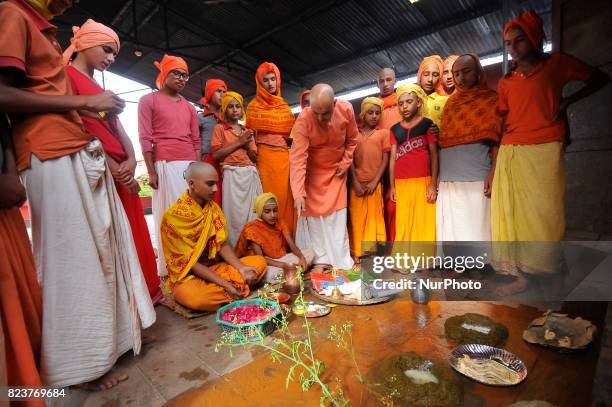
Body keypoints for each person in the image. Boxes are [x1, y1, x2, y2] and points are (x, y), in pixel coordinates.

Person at [0, 0, 155, 390]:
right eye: (106, 49)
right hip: (44, 150)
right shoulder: (11, 13)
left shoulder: (41, 29)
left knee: (100, 251)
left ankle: (109, 345)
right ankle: (75, 368)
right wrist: (85, 101)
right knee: (69, 259)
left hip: (71, 147)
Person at [492, 10, 608, 293]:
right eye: (508, 43)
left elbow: (599, 78)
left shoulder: (557, 64)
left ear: (533, 38)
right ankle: (520, 274)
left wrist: (568, 101)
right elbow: (504, 119)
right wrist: (496, 159)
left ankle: (546, 265)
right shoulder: (507, 82)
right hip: (511, 150)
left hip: (545, 146)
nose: (513, 48)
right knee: (512, 214)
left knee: (546, 212)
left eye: (518, 41)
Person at [65, 19, 163, 304]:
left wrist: (131, 158)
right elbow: (74, 126)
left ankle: (146, 296)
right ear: (83, 44)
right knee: (110, 238)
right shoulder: (66, 77)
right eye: (106, 50)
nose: (110, 58)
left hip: (122, 168)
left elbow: (117, 127)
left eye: (114, 55)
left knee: (133, 232)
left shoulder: (96, 84)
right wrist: (108, 162)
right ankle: (126, 303)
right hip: (97, 166)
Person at [160, 162, 266, 311]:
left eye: (216, 184)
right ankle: (233, 288)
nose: (215, 189)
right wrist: (226, 284)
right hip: (189, 277)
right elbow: (191, 263)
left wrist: (241, 268)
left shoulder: (213, 208)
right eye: (210, 184)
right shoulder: (173, 218)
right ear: (192, 183)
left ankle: (230, 290)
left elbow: (222, 244)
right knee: (196, 298)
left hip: (215, 267)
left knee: (259, 262)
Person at [138, 54, 200, 276]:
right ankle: (175, 266)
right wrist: (150, 170)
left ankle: (195, 264)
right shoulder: (148, 101)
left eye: (185, 75)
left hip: (189, 166)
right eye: (176, 73)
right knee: (172, 217)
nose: (182, 79)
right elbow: (145, 137)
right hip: (165, 164)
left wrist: (198, 169)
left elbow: (196, 140)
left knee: (192, 218)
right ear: (164, 74)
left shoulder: (190, 108)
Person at [290, 84, 358, 270]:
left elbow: (353, 140)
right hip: (312, 176)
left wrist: (345, 163)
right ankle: (322, 259)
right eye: (316, 113)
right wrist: (298, 192)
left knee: (336, 218)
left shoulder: (346, 109)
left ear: (334, 103)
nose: (319, 118)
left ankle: (341, 260)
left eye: (325, 113)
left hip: (336, 172)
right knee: (314, 219)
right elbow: (297, 158)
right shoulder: (304, 118)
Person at [0, 114, 43, 405]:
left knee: (22, 311)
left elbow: (4, 133)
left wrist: (11, 174)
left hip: (7, 209)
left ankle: (30, 389)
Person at [437, 54, 501, 242]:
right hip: (450, 178)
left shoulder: (492, 99)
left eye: (466, 72)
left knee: (477, 226)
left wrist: (493, 172)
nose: (460, 78)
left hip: (477, 176)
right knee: (454, 227)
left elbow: (497, 140)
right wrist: (441, 175)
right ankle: (458, 266)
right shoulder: (450, 104)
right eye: (456, 74)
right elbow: (444, 143)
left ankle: (477, 267)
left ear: (478, 72)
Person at [246, 62, 297, 237]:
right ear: (260, 83)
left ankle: (287, 238)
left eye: (273, 79)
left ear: (278, 80)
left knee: (285, 201)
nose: (270, 83)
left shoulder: (284, 107)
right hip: (264, 158)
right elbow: (250, 135)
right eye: (265, 80)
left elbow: (292, 136)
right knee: (267, 201)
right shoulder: (253, 106)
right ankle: (269, 240)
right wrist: (254, 155)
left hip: (284, 159)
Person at [389, 84, 438, 252]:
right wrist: (393, 186)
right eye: (401, 103)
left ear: (418, 102)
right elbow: (392, 160)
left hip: (423, 181)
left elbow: (434, 155)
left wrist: (433, 183)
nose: (404, 106)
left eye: (409, 101)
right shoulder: (394, 130)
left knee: (423, 221)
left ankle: (424, 261)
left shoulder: (427, 124)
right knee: (403, 222)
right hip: (402, 183)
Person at [212, 91, 262, 245]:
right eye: (230, 107)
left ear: (242, 110)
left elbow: (254, 158)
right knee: (234, 215)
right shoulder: (219, 129)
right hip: (232, 175)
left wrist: (246, 144)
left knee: (253, 212)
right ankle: (236, 248)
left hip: (249, 173)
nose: (235, 110)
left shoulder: (247, 130)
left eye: (238, 107)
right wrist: (240, 142)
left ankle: (253, 246)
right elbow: (216, 155)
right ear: (224, 109)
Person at [235, 193, 315, 283]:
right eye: (267, 211)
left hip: (281, 258)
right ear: (259, 211)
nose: (272, 215)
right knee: (272, 274)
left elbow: (292, 245)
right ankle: (293, 271)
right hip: (265, 263)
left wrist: (301, 258)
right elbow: (261, 258)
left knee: (310, 253)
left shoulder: (280, 222)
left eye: (275, 210)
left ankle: (291, 272)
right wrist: (284, 265)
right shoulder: (252, 229)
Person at [348, 97, 389, 260]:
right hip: (357, 184)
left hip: (375, 184)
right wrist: (355, 183)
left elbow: (385, 159)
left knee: (373, 219)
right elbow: (349, 160)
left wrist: (375, 181)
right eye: (370, 113)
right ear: (362, 115)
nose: (374, 116)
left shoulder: (383, 134)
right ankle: (357, 252)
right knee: (357, 218)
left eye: (377, 113)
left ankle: (371, 252)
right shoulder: (354, 135)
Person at [199, 78, 227, 206]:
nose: (222, 94)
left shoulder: (228, 118)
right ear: (210, 93)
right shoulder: (200, 117)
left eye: (224, 91)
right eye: (218, 91)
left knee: (226, 200)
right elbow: (194, 141)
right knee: (212, 201)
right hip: (208, 162)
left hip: (226, 162)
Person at [417, 55, 449, 127]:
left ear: (440, 77)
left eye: (435, 75)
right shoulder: (411, 100)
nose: (430, 79)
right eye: (426, 74)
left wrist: (440, 132)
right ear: (420, 75)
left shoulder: (445, 100)